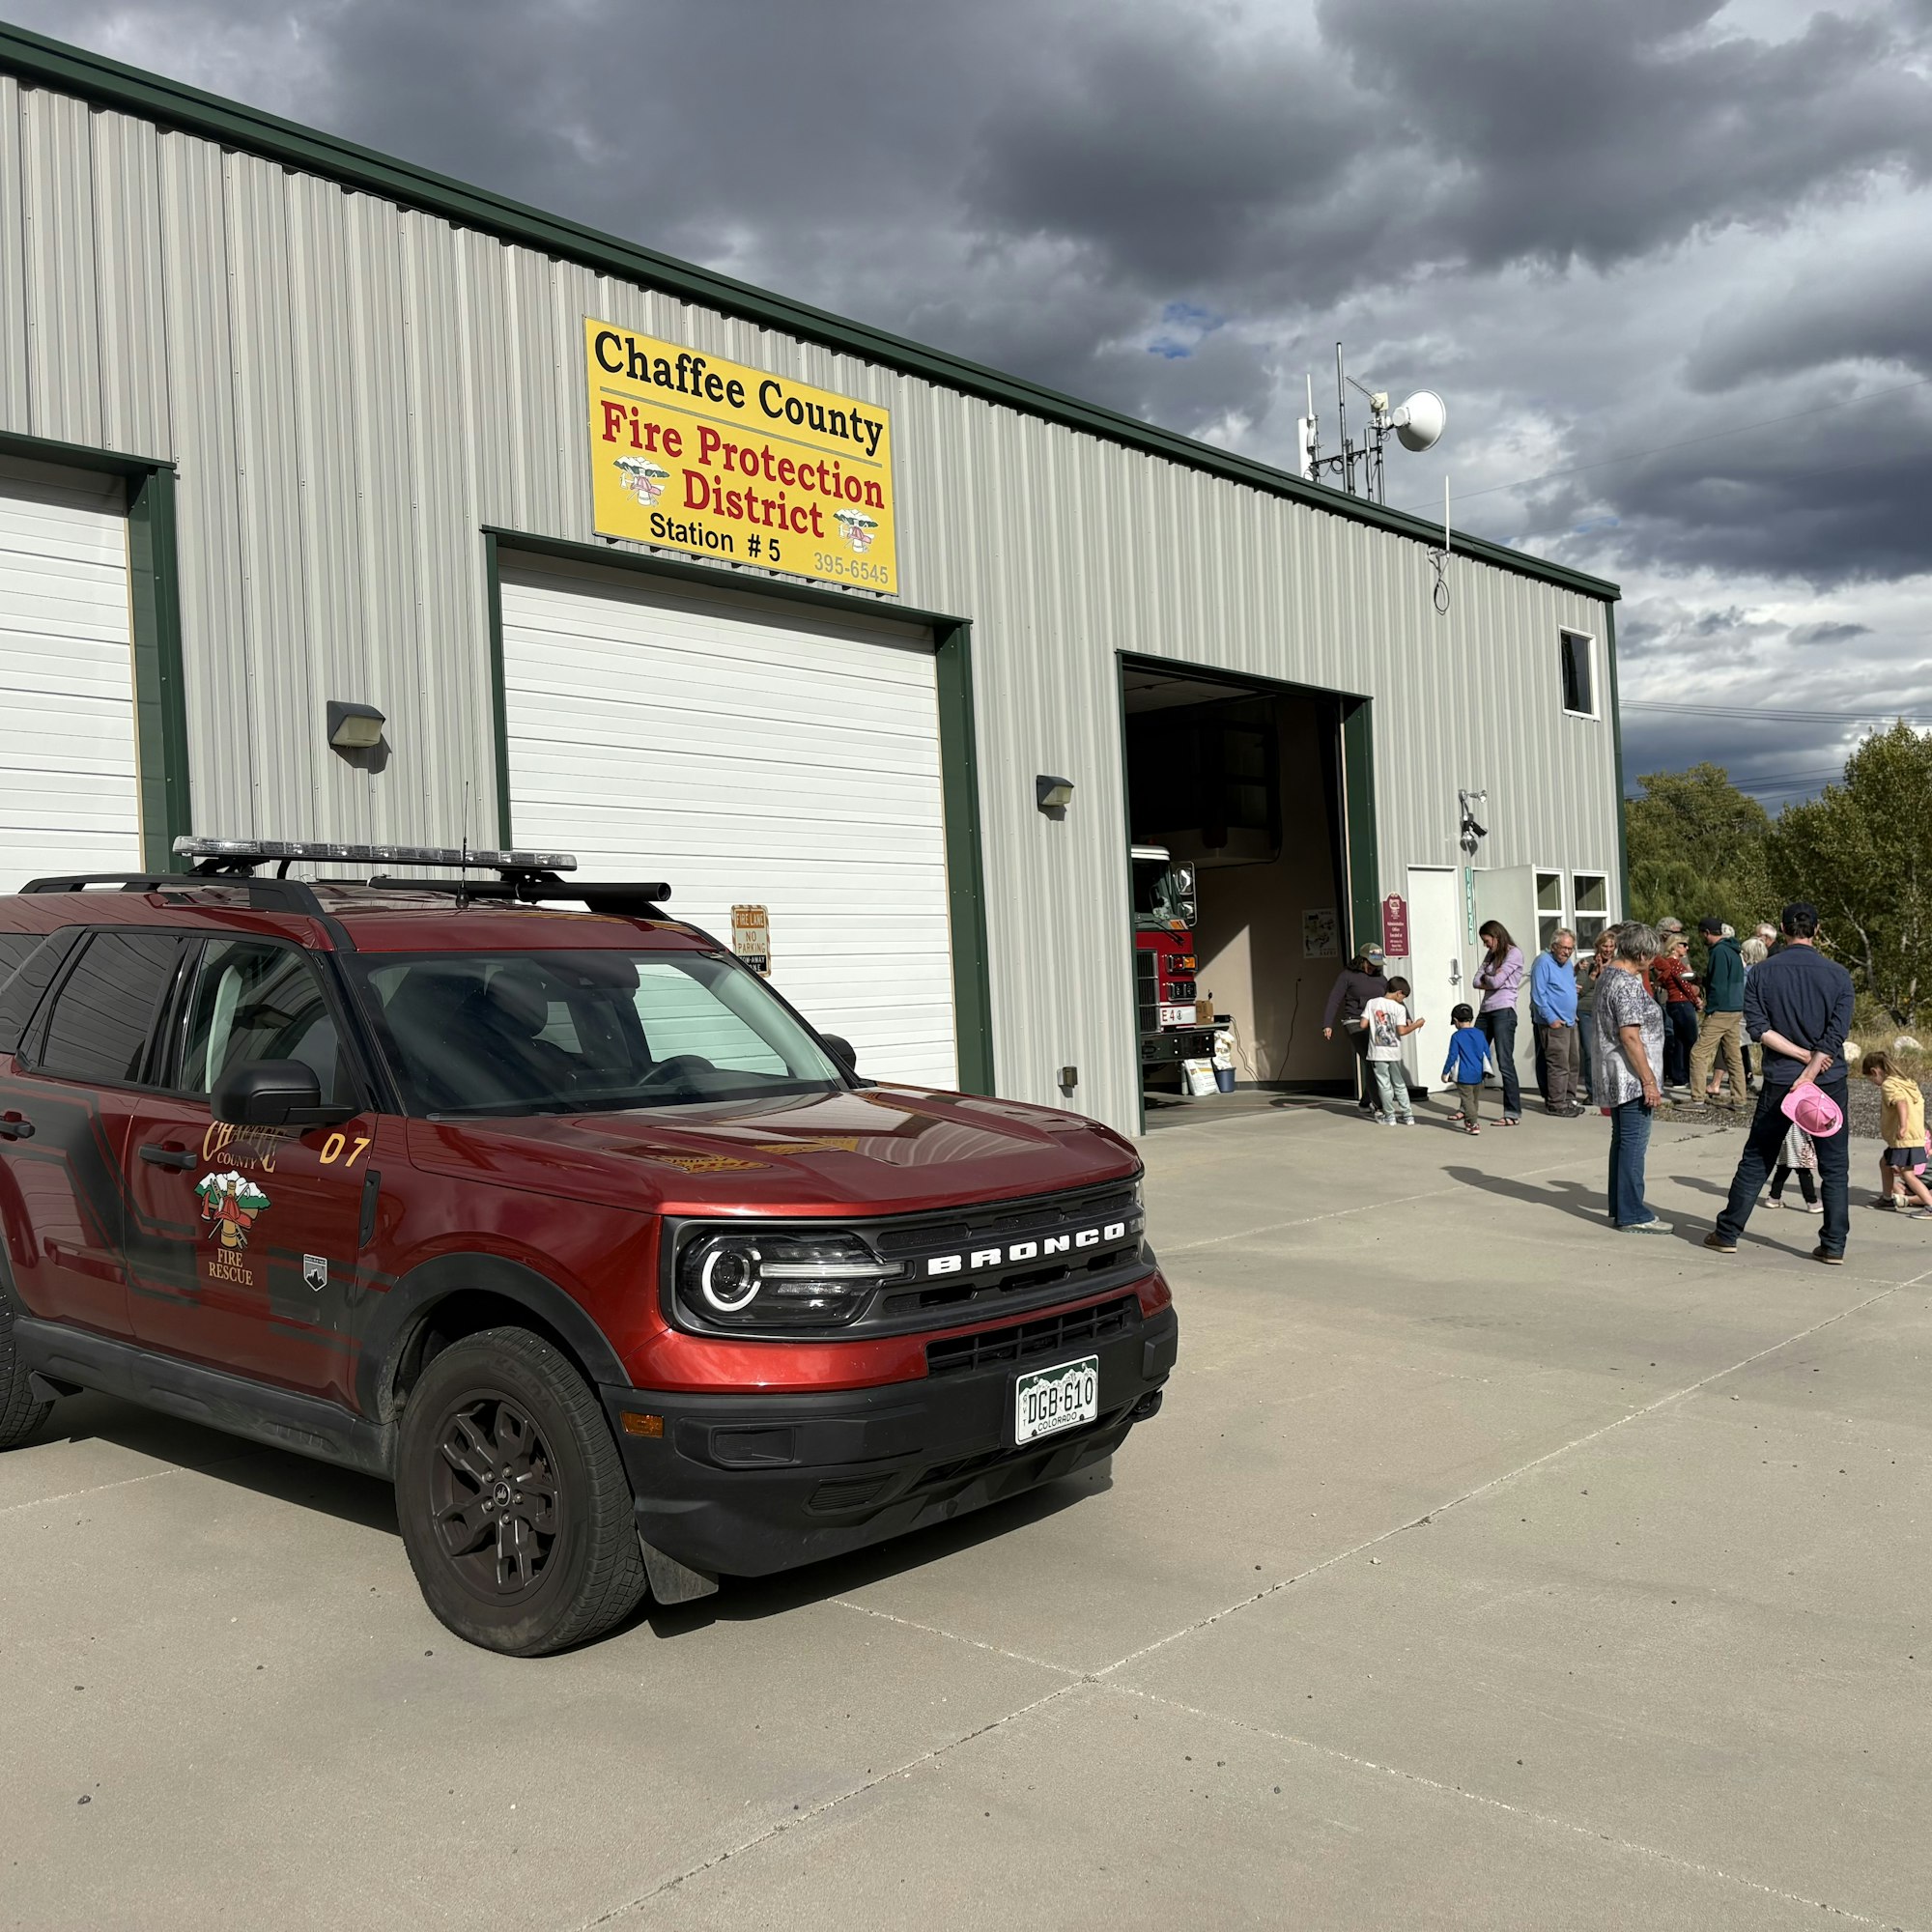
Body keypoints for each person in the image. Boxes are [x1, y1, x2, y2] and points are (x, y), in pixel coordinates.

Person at [1704, 902, 1856, 1265]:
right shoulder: (1838, 975)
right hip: (1828, 1080)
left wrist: (1802, 1064)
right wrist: (1813, 1062)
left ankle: (1727, 1233)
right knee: (1833, 1165)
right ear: (1816, 931)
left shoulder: (1761, 973)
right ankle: (1833, 1244)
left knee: (1758, 1157)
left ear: (1783, 931)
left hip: (1781, 1082)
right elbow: (1836, 1035)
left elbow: (1759, 1030)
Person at [1592, 922, 1671, 1233]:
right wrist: (1649, 1081)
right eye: (1650, 957)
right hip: (1630, 1076)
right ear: (1640, 954)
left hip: (1616, 1072)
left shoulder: (1610, 974)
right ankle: (1633, 1213)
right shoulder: (1624, 983)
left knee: (1623, 1142)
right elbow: (1630, 1037)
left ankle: (1621, 1206)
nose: (1652, 962)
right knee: (1634, 1144)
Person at [1863, 1050, 1932, 1215]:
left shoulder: (1889, 1085)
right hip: (1914, 1135)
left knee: (1907, 1173)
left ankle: (1930, 1206)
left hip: (1905, 1138)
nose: (1874, 1083)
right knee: (1885, 1162)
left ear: (1875, 1071)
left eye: (1871, 1079)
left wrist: (1902, 1126)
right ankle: (1887, 1199)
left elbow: (1901, 1103)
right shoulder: (1906, 1082)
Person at [1689, 916, 1747, 1111]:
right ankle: (1740, 1099)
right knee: (1733, 1056)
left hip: (1721, 1009)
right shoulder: (1733, 950)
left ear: (1706, 933)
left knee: (1698, 1053)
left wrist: (1710, 1008)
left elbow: (1719, 984)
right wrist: (1703, 980)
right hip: (1735, 1007)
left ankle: (1697, 1099)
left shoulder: (1719, 952)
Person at [1322, 944, 1388, 1113]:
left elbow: (1392, 998)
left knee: (1378, 1061)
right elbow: (1334, 999)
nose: (1374, 968)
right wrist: (1327, 1024)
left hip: (1377, 1023)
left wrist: (1407, 1017)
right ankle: (1379, 1106)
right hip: (1355, 1021)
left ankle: (1365, 1102)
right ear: (1362, 960)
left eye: (1377, 965)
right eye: (1371, 964)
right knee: (1371, 1059)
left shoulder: (1380, 978)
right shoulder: (1347, 976)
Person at [1473, 921, 1523, 1125]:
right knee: (1472, 1056)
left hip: (1504, 1010)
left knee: (1504, 1061)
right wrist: (1490, 977)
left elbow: (1494, 982)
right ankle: (1467, 1108)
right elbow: (1476, 981)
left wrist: (1489, 978)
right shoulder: (1491, 956)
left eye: (1487, 941)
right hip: (1485, 1011)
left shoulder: (1514, 954)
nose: (1486, 946)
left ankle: (1512, 1113)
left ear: (1497, 936)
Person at [1530, 927, 1582, 1116]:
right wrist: (1551, 1019)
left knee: (1572, 1062)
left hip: (1570, 1020)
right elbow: (1538, 995)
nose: (1567, 952)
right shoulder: (1543, 962)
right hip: (1553, 1022)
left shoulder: (1567, 964)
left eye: (1571, 949)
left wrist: (1572, 1010)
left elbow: (1566, 987)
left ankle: (1569, 1099)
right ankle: (1556, 1103)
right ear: (1553, 946)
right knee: (1558, 1065)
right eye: (1564, 948)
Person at [1361, 976, 1424, 1123]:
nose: (1403, 1000)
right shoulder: (1399, 1008)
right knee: (1399, 1083)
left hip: (1377, 1052)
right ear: (1398, 993)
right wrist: (1417, 1025)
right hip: (1393, 1052)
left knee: (1384, 1084)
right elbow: (1401, 1031)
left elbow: (1363, 1024)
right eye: (1404, 996)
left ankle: (1390, 1116)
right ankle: (1408, 1115)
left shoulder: (1372, 1003)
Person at [1652, 934, 1701, 1098]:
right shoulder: (1676, 965)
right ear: (1674, 946)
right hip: (1682, 1003)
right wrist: (1696, 1001)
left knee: (1679, 1041)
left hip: (1673, 1003)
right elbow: (1685, 985)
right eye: (1683, 944)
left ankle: (1678, 1077)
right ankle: (1693, 1077)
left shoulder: (1668, 965)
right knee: (1692, 1042)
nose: (1686, 948)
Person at [1576, 927, 1616, 1105]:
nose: (1607, 950)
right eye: (1604, 946)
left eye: (1611, 946)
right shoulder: (1587, 964)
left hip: (1608, 1011)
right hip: (1586, 1011)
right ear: (1598, 946)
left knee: (1610, 1051)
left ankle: (1610, 1089)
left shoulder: (1618, 964)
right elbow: (1581, 991)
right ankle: (1593, 1093)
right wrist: (1595, 973)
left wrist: (1607, 970)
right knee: (1591, 1052)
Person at [1441, 1002, 1491, 1134]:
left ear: (1456, 1020)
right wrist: (1487, 1069)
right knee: (1474, 1100)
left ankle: (1474, 1124)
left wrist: (1445, 1072)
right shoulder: (1480, 1033)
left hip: (1464, 1075)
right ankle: (1469, 1121)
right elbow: (1486, 1052)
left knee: (1467, 1100)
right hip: (1478, 1074)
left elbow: (1452, 1056)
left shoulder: (1457, 1036)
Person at [1739, 925, 1774, 1093]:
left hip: (1748, 1017)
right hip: (1769, 1017)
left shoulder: (1745, 975)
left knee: (1739, 1047)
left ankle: (1743, 1079)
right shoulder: (1770, 972)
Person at [1766, 1119, 1819, 1213]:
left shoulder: (1783, 1110)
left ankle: (1774, 1197)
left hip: (1784, 1143)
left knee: (1782, 1171)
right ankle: (1812, 1202)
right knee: (1804, 1172)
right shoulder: (1801, 1112)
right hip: (1799, 1144)